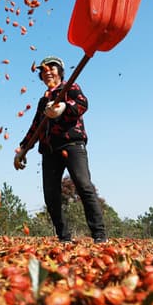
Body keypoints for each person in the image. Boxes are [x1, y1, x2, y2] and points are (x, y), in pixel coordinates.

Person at [14, 56, 107, 243]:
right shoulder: (43, 101)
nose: (47, 71)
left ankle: (99, 235)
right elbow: (35, 127)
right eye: (43, 70)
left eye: (52, 68)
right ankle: (63, 237)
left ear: (60, 72)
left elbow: (82, 104)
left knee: (83, 185)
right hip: (49, 149)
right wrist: (22, 149)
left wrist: (64, 106)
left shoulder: (71, 87)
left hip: (72, 144)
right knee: (51, 193)